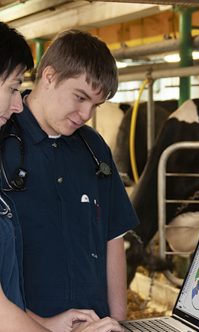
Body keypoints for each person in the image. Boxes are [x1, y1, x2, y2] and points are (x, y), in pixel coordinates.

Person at [2, 28, 139, 321]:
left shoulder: (93, 147)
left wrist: (117, 320)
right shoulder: (3, 141)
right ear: (49, 76)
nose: (87, 113)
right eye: (80, 97)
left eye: (95, 105)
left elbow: (113, 236)